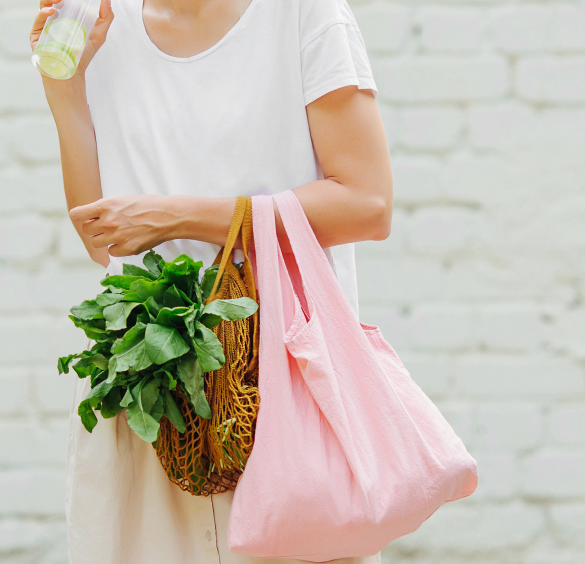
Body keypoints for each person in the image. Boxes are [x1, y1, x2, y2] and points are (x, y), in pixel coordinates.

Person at [30, 0, 393, 559]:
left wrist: (179, 215)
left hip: (280, 386)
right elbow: (101, 237)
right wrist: (66, 87)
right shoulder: (102, 27)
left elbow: (367, 203)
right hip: (152, 390)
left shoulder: (304, 14)